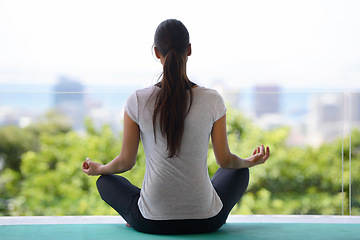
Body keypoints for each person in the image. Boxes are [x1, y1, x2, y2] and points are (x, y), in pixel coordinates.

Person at [82, 19, 270, 235]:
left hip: (151, 222)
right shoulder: (212, 99)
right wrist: (249, 161)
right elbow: (225, 161)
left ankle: (134, 217)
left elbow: (125, 162)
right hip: (207, 221)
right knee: (239, 172)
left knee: (105, 182)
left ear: (156, 53)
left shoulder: (137, 100)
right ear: (189, 50)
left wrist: (99, 169)